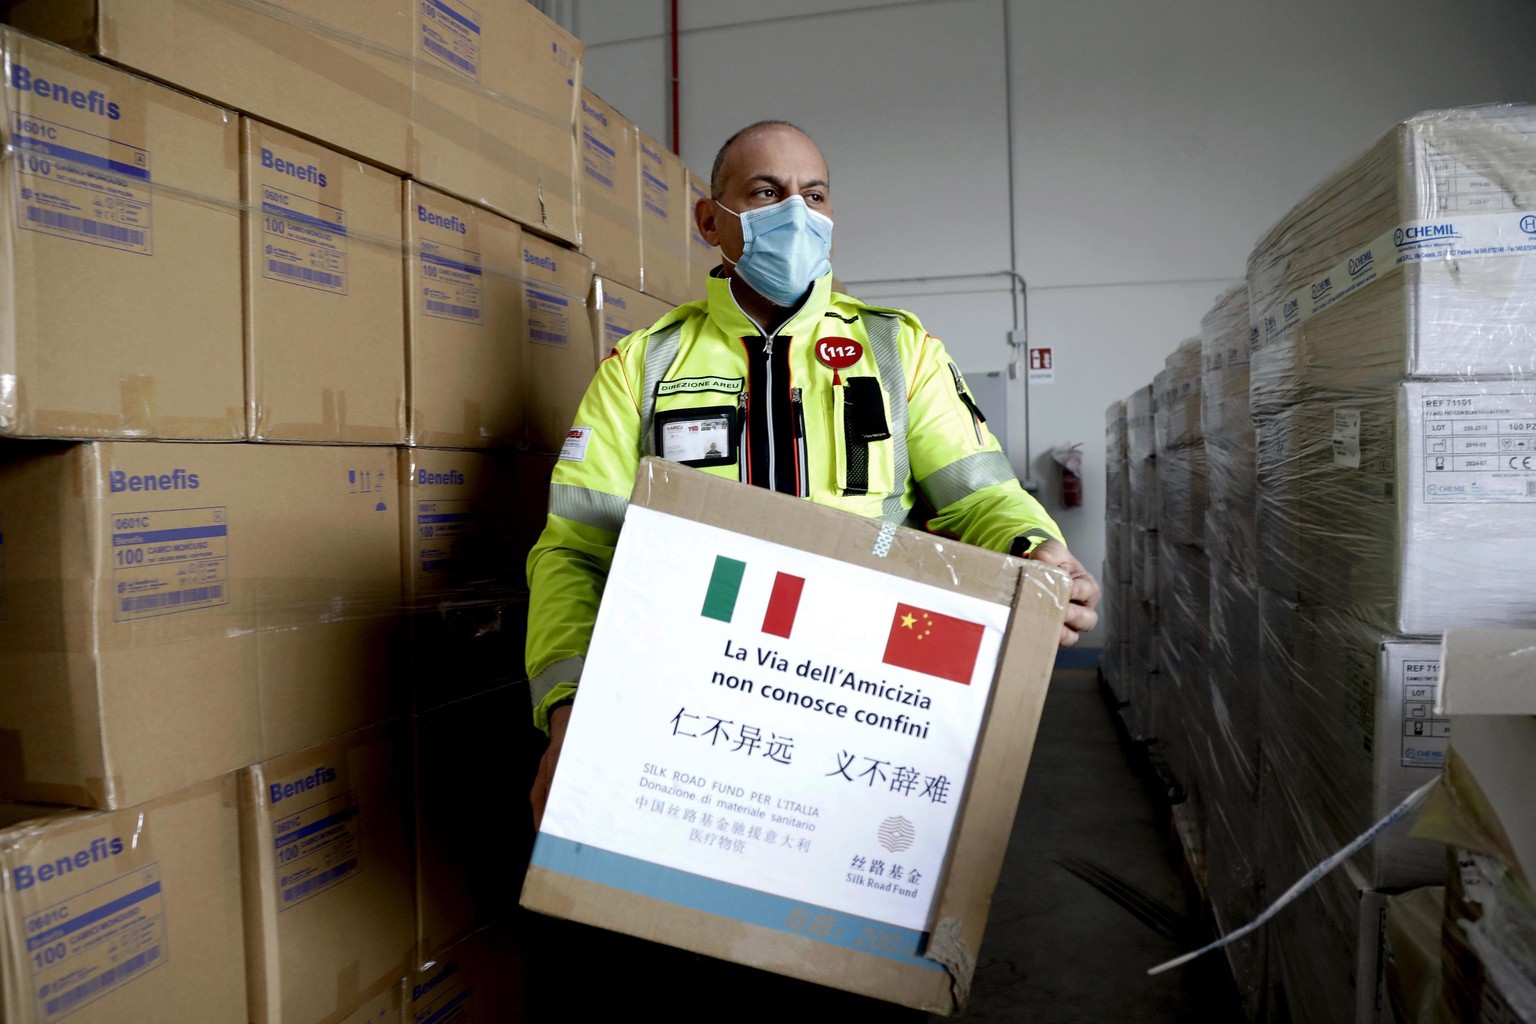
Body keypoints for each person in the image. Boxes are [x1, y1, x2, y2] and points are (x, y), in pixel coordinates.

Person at [527, 119, 1100, 826]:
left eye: (815, 195)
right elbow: (575, 555)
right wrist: (570, 713)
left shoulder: (898, 351)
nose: (797, 214)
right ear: (712, 220)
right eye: (767, 192)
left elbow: (981, 498)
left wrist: (1034, 549)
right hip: (690, 705)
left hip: (860, 697)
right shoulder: (643, 367)